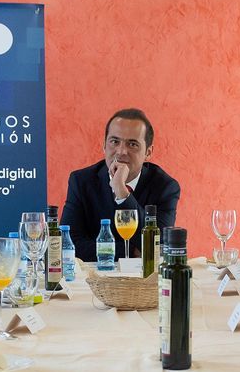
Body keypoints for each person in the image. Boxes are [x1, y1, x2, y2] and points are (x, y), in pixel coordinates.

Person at [61, 108, 181, 262]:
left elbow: (158, 244)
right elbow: (68, 244)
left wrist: (121, 192)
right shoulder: (81, 181)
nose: (121, 151)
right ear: (104, 146)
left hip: (143, 276)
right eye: (114, 142)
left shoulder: (165, 187)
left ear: (148, 152)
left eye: (132, 144)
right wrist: (129, 251)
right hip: (94, 274)